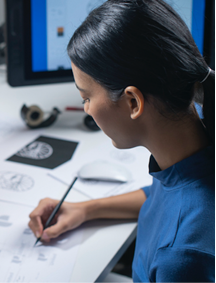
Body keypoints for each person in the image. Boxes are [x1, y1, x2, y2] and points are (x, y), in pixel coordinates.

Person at [26, 0, 213, 281]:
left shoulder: (180, 256)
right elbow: (163, 196)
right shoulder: (193, 141)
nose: (87, 109)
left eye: (86, 97)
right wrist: (86, 210)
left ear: (133, 102)